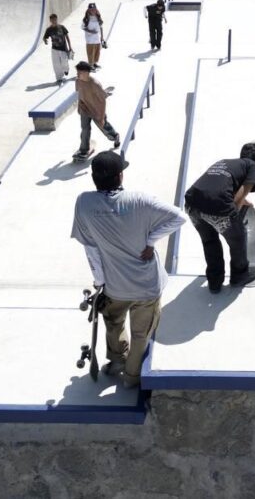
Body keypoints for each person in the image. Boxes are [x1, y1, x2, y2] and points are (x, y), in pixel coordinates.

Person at [71, 151, 186, 387]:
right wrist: (151, 240)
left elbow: (91, 249)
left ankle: (116, 361)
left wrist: (99, 282)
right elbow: (179, 217)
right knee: (141, 334)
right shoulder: (140, 200)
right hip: (147, 288)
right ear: (120, 176)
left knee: (113, 324)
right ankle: (132, 378)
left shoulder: (84, 203)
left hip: (114, 287)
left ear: (93, 178)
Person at [184, 142, 255, 293]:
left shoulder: (225, 163)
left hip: (192, 204)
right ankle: (239, 276)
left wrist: (245, 202)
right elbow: (239, 197)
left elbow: (219, 187)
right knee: (238, 239)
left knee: (210, 241)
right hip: (218, 208)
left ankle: (214, 282)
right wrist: (235, 221)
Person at [74, 61, 120, 160]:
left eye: (79, 73)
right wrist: (79, 106)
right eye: (77, 72)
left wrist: (102, 116)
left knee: (104, 127)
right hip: (84, 109)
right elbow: (80, 94)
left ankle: (115, 136)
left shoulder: (95, 84)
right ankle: (84, 149)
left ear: (86, 73)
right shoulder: (77, 80)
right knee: (85, 129)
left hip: (96, 110)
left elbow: (103, 101)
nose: (77, 75)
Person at [42, 13, 73, 83]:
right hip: (54, 49)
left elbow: (67, 37)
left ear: (57, 19)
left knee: (64, 62)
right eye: (52, 20)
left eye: (55, 19)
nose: (54, 21)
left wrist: (70, 46)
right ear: (50, 20)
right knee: (56, 64)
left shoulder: (62, 27)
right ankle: (59, 78)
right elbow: (45, 37)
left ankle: (66, 70)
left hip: (63, 48)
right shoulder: (49, 29)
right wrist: (45, 40)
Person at [81, 3, 105, 70]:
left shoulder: (98, 17)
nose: (93, 11)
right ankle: (90, 65)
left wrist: (102, 37)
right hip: (90, 39)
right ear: (88, 10)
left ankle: (94, 63)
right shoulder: (86, 19)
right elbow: (83, 27)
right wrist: (90, 31)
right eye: (91, 10)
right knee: (91, 52)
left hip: (97, 38)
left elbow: (101, 27)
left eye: (94, 9)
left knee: (97, 52)